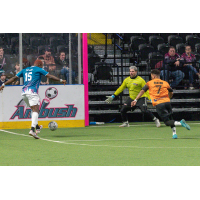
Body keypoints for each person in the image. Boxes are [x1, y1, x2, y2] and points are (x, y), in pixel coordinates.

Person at [0, 59, 66, 139]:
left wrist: (4, 84)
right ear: (40, 65)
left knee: (33, 109)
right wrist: (61, 80)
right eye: (42, 66)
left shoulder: (25, 70)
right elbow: (50, 76)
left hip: (24, 93)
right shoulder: (38, 69)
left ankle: (37, 127)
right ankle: (32, 130)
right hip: (32, 92)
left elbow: (14, 78)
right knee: (36, 110)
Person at [131, 69, 190, 139]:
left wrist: (135, 99)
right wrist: (169, 98)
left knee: (167, 122)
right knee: (171, 118)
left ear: (153, 76)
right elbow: (171, 92)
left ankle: (181, 123)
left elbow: (142, 91)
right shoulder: (165, 83)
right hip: (167, 102)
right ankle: (174, 133)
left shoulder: (149, 83)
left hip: (159, 104)